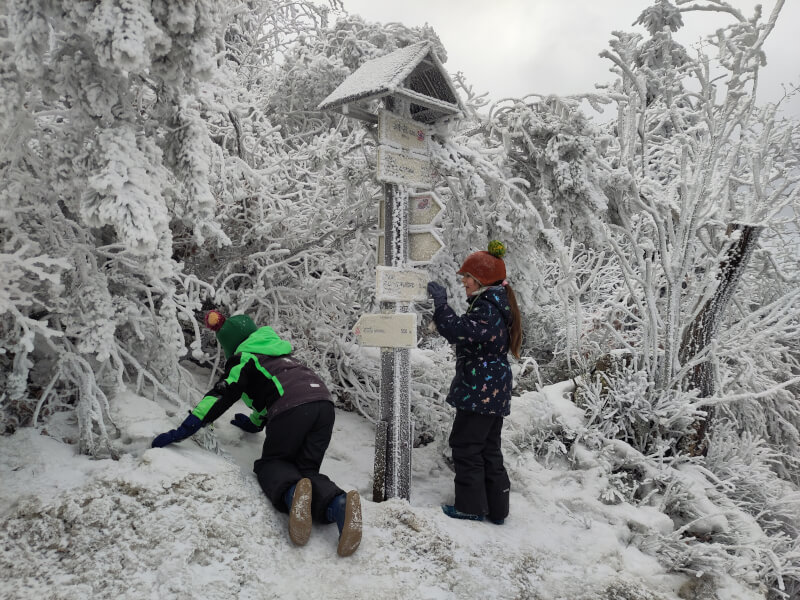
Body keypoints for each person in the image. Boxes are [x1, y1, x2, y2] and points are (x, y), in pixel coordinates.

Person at [151, 310, 362, 557]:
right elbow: (270, 397)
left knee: (273, 464)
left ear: (232, 346)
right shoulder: (284, 357)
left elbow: (222, 393)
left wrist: (185, 429)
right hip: (323, 405)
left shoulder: (246, 359)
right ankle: (339, 506)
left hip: (291, 408)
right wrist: (252, 424)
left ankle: (294, 494)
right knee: (307, 470)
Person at [427, 240, 522, 525]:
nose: (463, 282)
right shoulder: (494, 305)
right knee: (488, 447)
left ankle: (470, 507)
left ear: (481, 279)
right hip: (491, 390)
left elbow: (459, 331)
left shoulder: (487, 309)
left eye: (467, 277)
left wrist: (441, 305)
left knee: (467, 446)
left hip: (481, 389)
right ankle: (496, 508)